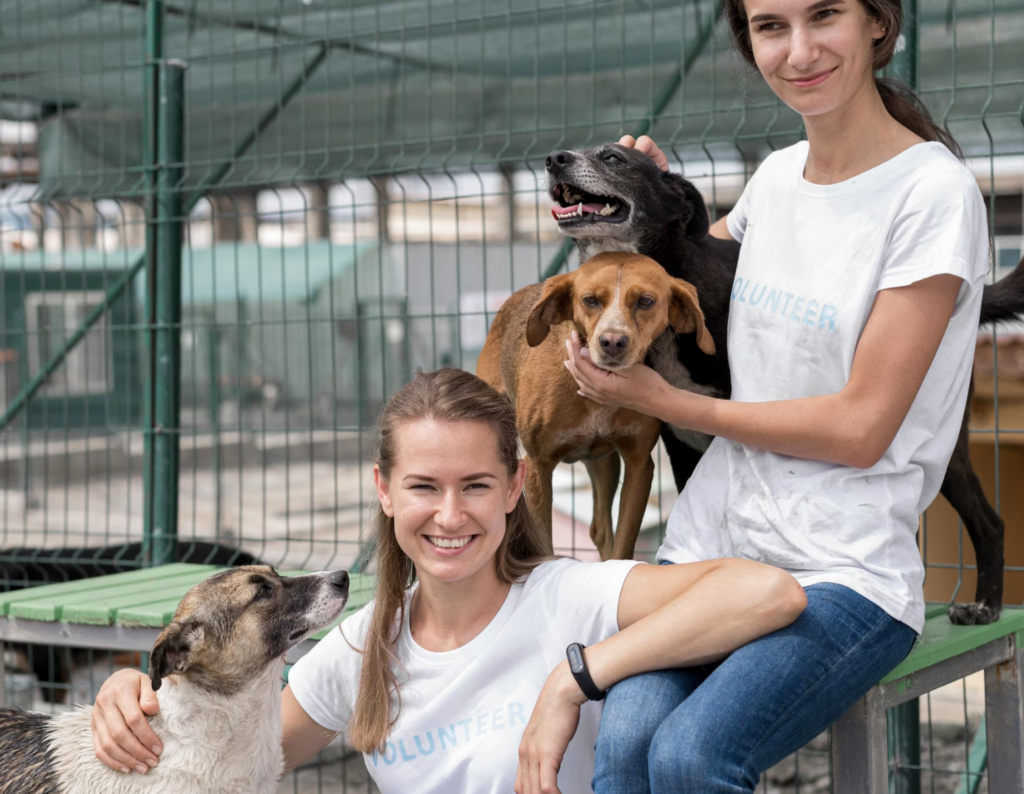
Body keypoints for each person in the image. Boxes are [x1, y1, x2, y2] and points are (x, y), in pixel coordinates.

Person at [558, 0, 990, 790]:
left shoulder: (932, 195)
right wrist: (641, 198)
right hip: (713, 550)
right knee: (622, 753)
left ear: (878, 23)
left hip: (844, 570)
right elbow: (676, 266)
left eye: (823, 15)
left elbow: (862, 428)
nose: (798, 51)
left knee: (691, 756)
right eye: (769, 26)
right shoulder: (776, 178)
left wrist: (668, 402)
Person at [88, 368, 806, 794]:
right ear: (384, 490)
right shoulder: (363, 647)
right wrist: (136, 695)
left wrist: (573, 680)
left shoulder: (568, 599)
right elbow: (227, 751)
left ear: (516, 486)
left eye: (476, 486)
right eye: (425, 486)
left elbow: (768, 592)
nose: (450, 515)